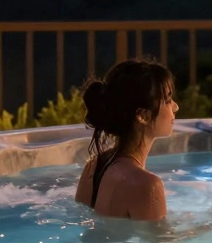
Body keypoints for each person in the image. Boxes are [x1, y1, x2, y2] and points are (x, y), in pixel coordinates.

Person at [74, 58, 179, 221]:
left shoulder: (94, 167)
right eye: (167, 100)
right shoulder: (147, 185)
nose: (176, 107)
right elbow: (161, 239)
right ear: (142, 116)